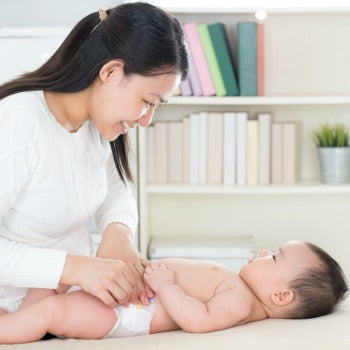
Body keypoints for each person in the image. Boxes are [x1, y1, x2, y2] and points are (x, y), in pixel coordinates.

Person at [0, 1, 188, 318]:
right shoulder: (18, 122)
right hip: (18, 312)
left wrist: (118, 234)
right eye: (147, 102)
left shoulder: (96, 123)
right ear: (110, 71)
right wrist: (77, 269)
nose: (146, 120)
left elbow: (115, 189)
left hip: (67, 301)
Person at [0, 240, 347, 343]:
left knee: (55, 311)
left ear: (281, 296)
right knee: (56, 280)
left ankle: (9, 330)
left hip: (127, 315)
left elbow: (198, 320)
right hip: (130, 296)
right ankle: (18, 320)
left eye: (274, 257)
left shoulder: (241, 301)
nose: (262, 254)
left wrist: (166, 286)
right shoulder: (238, 286)